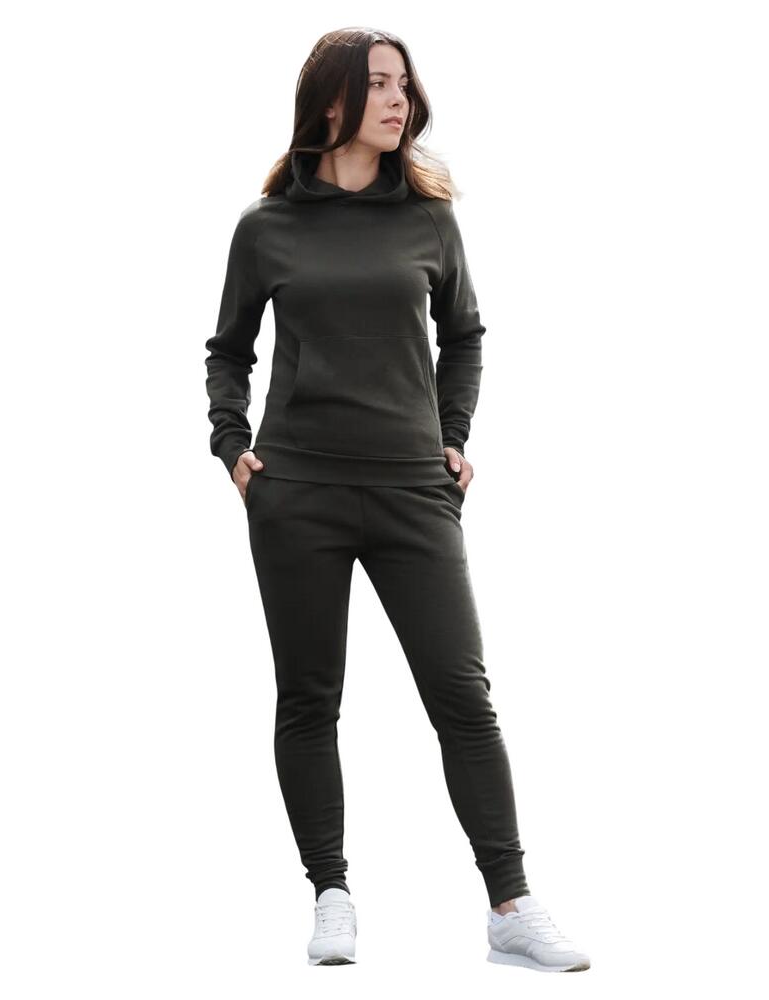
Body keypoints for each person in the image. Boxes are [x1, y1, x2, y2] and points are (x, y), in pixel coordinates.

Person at [204, 27, 591, 972]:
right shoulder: (266, 227)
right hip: (298, 492)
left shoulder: (429, 219)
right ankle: (331, 893)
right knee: (310, 698)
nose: (398, 100)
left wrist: (453, 436)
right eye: (379, 84)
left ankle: (511, 903)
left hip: (413, 487)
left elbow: (466, 335)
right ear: (332, 100)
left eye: (403, 86)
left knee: (462, 695)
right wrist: (234, 450)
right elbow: (229, 350)